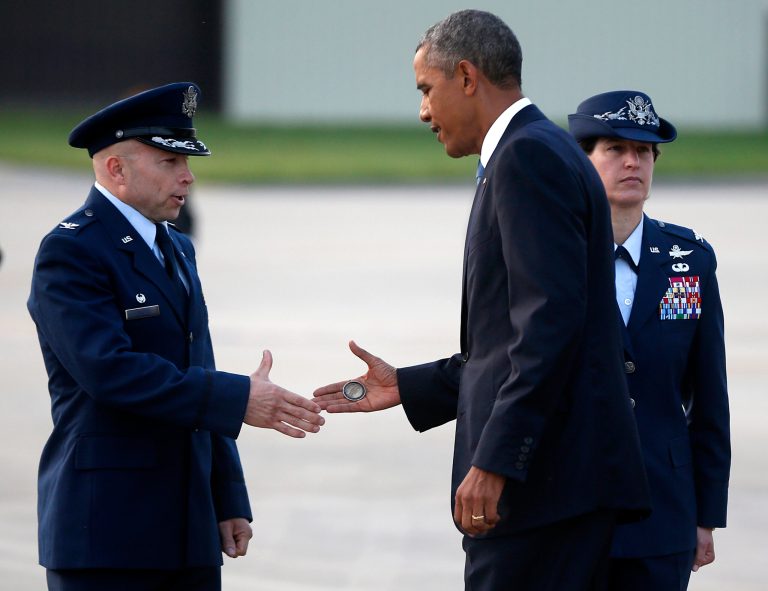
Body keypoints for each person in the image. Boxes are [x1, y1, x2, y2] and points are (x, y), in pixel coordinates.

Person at [313, 10, 650, 591]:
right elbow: (517, 333)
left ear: (467, 77)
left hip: (544, 488)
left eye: (426, 89)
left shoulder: (527, 157)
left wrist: (496, 460)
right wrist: (412, 386)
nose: (423, 111)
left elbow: (549, 325)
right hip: (560, 486)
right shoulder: (534, 149)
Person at [27, 82, 324, 591]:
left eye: (186, 162)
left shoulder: (177, 246)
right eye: (168, 162)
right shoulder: (71, 252)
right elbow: (110, 372)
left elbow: (196, 370)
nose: (187, 177)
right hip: (108, 535)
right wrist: (240, 398)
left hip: (186, 530)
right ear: (116, 170)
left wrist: (225, 498)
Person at [568, 90, 731, 590]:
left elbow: (710, 399)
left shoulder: (690, 260)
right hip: (570, 510)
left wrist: (706, 515)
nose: (632, 161)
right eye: (615, 149)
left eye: (644, 151)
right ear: (583, 160)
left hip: (664, 513)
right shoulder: (552, 255)